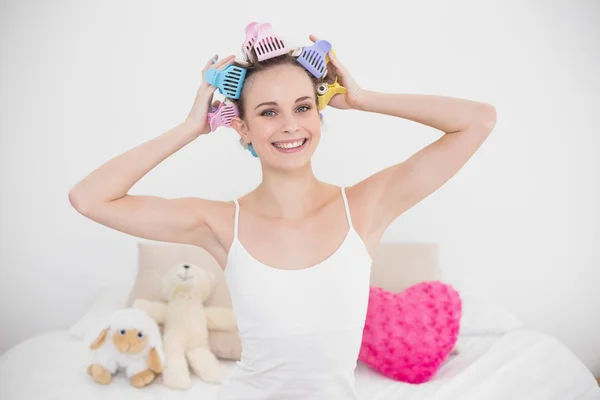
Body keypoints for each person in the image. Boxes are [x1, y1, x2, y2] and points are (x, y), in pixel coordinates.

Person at [68, 32, 497, 399]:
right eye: (269, 112)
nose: (290, 124)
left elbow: (478, 120)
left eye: (303, 107)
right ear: (243, 128)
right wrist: (189, 128)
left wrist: (364, 99)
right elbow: (89, 198)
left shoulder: (364, 207)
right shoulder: (219, 223)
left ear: (319, 111)